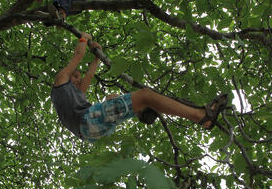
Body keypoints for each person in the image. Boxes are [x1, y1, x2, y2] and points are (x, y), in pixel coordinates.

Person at [51, 32, 228, 143]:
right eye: (75, 76)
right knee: (144, 95)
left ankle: (140, 111)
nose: (77, 80)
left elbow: (88, 76)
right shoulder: (61, 79)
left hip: (90, 131)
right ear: (67, 75)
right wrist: (84, 37)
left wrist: (96, 58)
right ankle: (200, 116)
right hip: (89, 121)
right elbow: (78, 54)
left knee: (112, 98)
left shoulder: (75, 96)